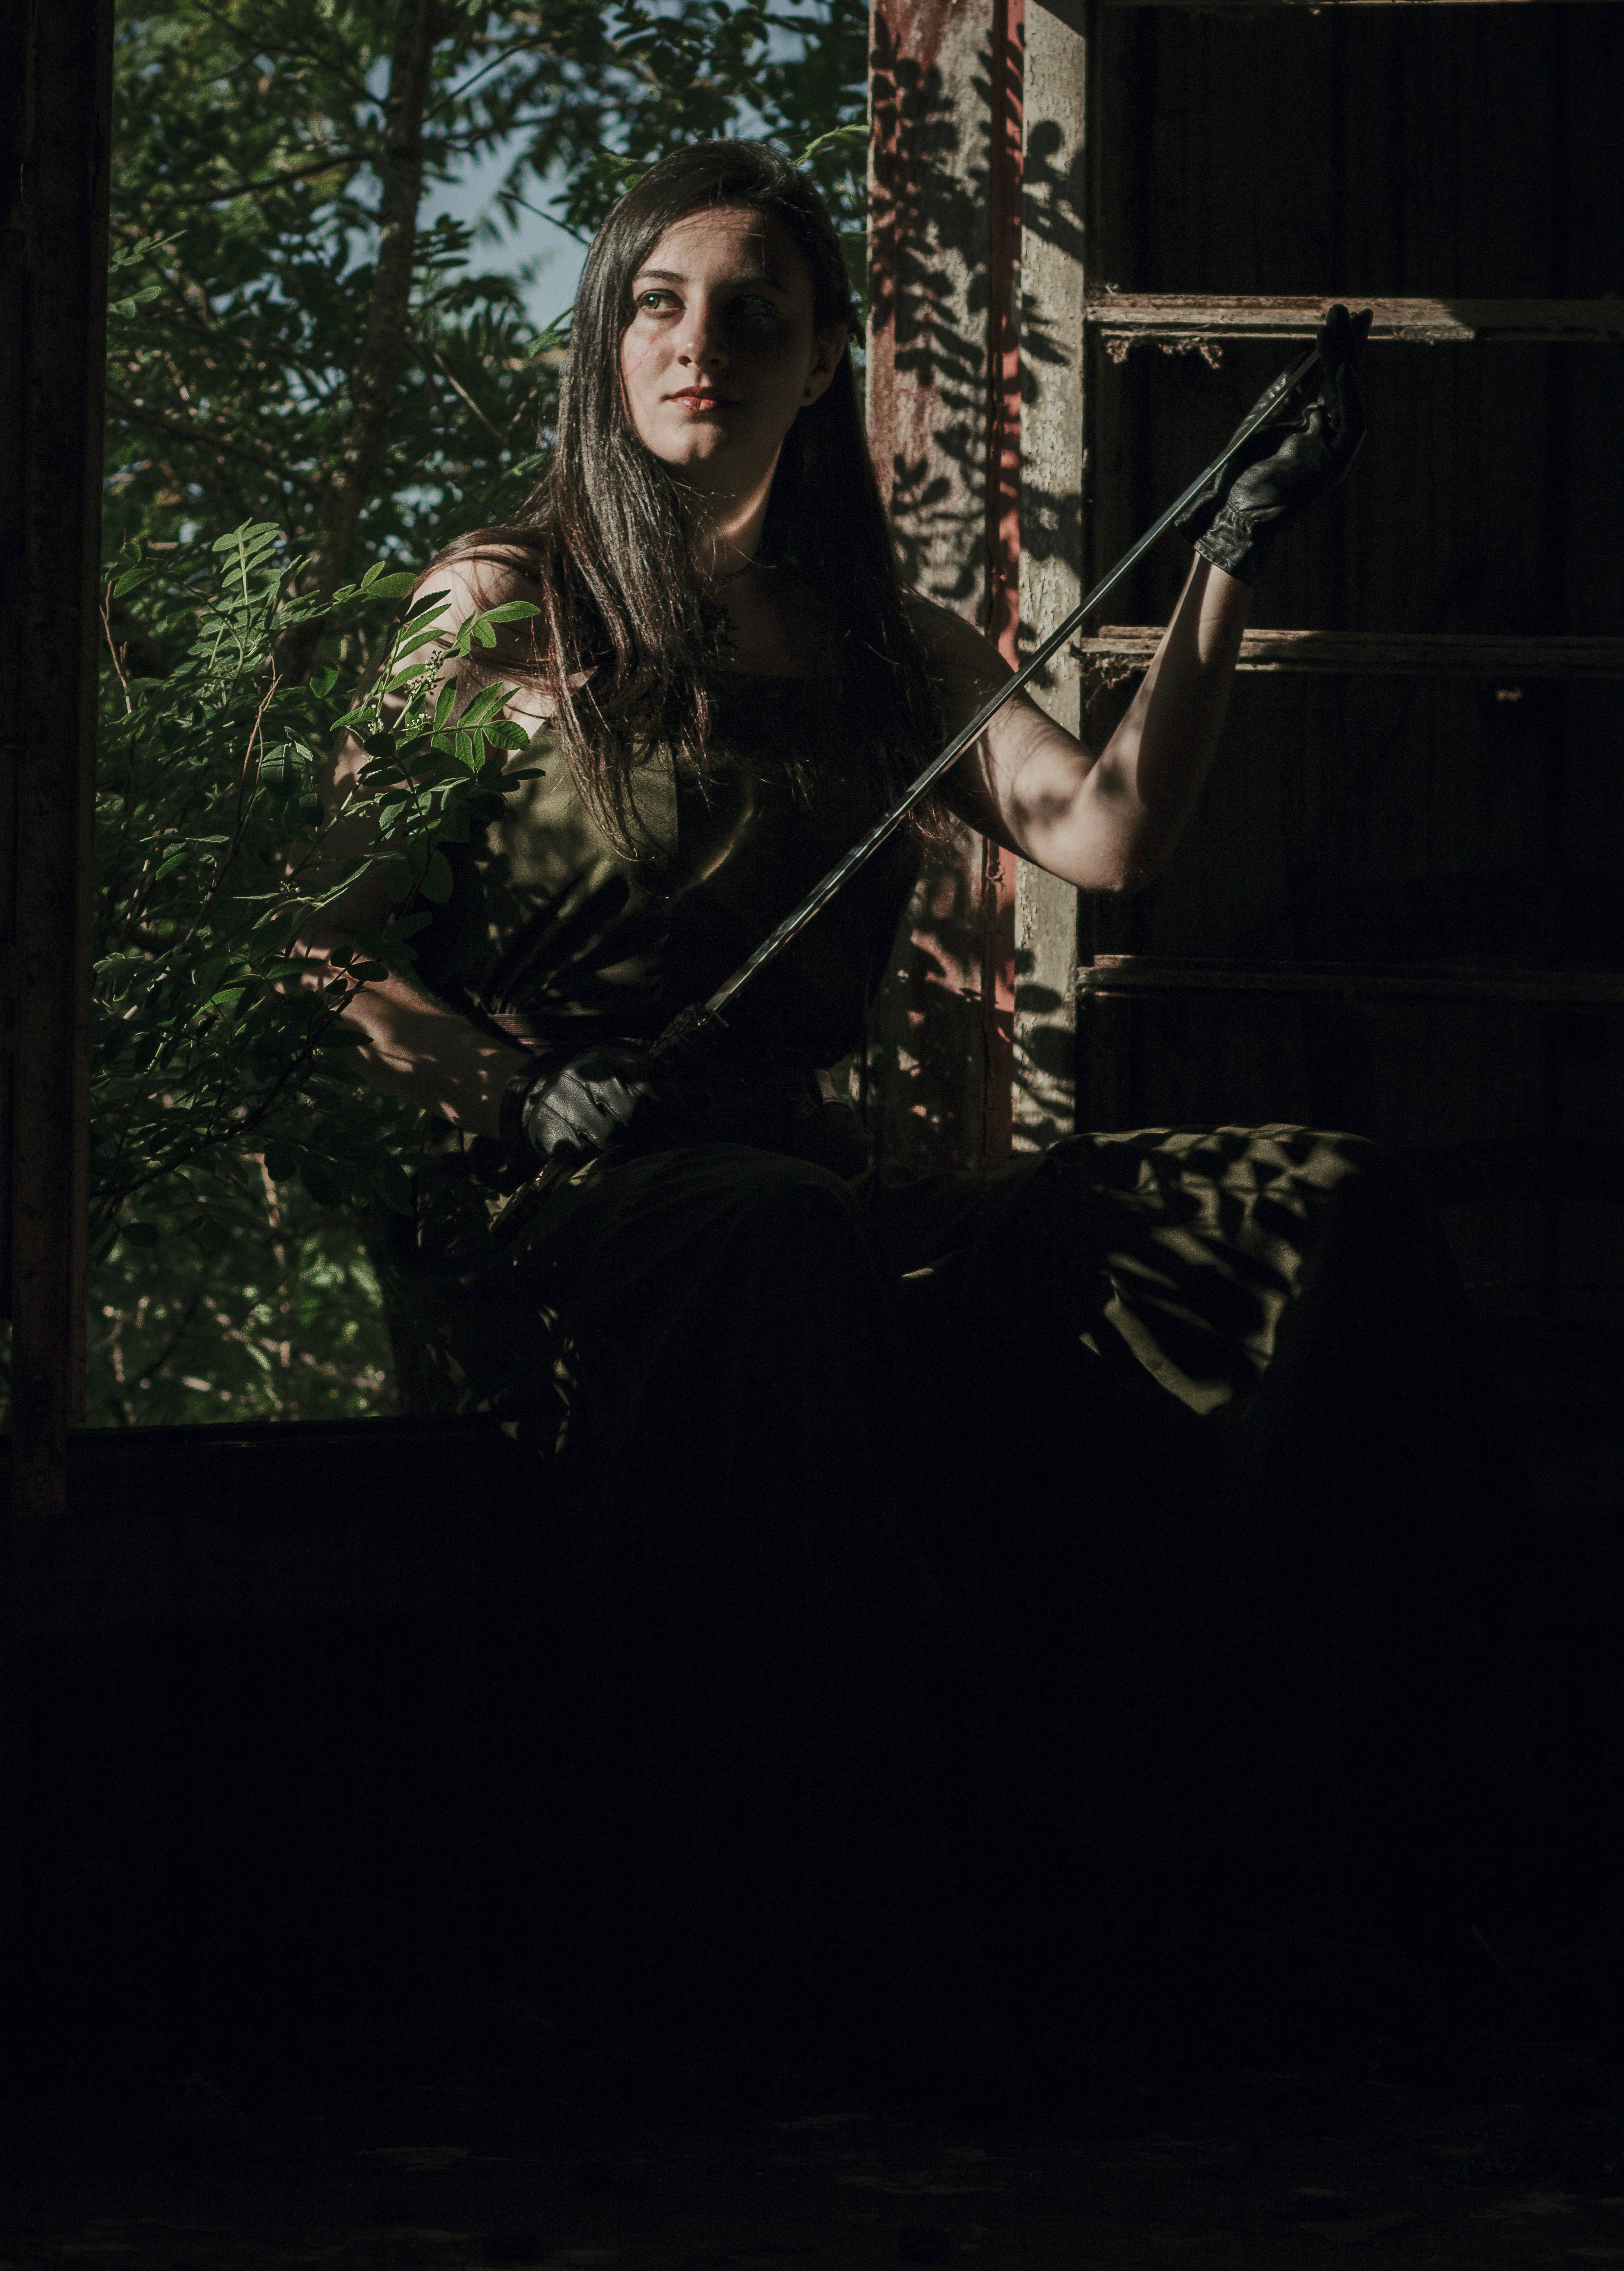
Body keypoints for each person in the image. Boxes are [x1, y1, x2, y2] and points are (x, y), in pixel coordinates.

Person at [290, 142, 1510, 2062]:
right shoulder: (501, 604)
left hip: (807, 1191)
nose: (705, 343)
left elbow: (1104, 833)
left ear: (822, 357)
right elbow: (326, 948)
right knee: (774, 1239)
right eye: (661, 304)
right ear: (607, 343)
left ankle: (1287, 1867)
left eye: (756, 311)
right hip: (544, 1206)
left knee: (1302, 1198)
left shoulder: (886, 643)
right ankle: (846, 1942)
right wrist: (514, 1096)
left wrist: (1225, 558)